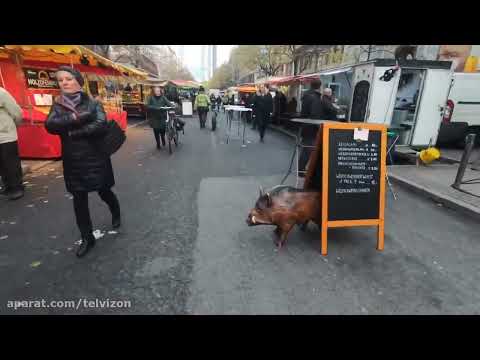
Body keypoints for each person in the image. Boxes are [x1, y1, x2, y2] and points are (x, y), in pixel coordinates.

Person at [45, 66, 121, 258]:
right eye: (61, 80)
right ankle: (87, 238)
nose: (64, 83)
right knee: (79, 200)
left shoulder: (93, 103)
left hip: (96, 156)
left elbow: (101, 124)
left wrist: (75, 131)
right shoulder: (58, 105)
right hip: (73, 160)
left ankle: (116, 211)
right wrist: (76, 117)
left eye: (68, 79)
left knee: (104, 191)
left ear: (78, 81)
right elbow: (51, 125)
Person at [0, 86, 24, 200]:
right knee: (2, 163)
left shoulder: (1, 92)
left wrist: (15, 125)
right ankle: (7, 186)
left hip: (6, 135)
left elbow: (16, 111)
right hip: (5, 133)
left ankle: (16, 187)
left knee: (10, 162)